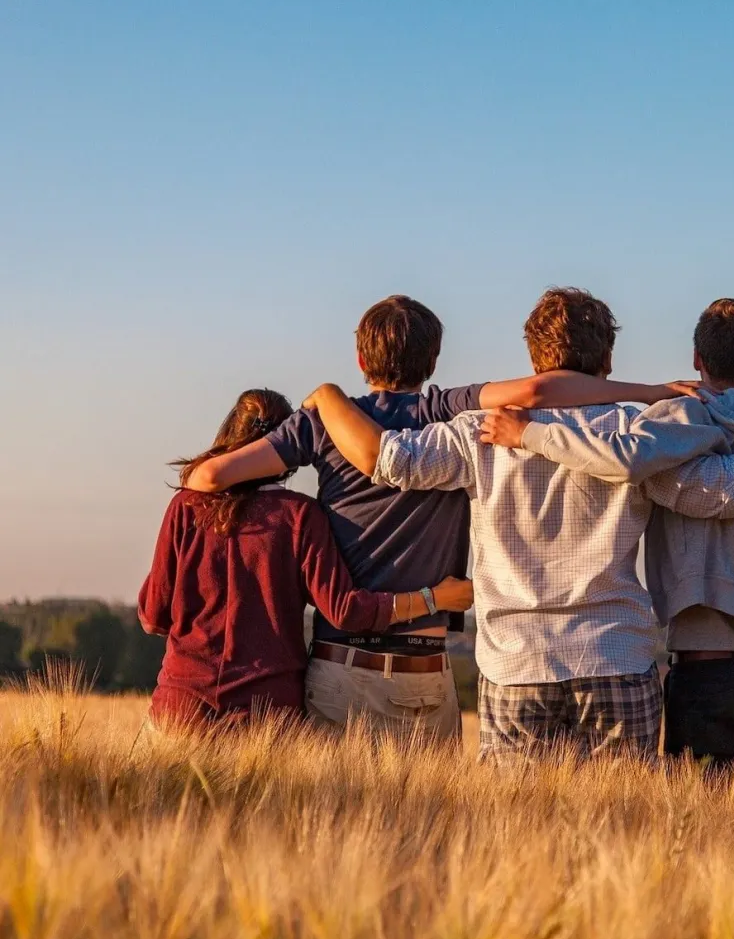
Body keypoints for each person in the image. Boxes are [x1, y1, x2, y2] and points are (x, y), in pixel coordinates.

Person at [302, 289, 734, 764]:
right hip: (616, 655)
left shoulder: (477, 432)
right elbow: (724, 493)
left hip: (515, 663)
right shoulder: (638, 433)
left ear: (533, 358)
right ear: (607, 361)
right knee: (623, 834)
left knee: (517, 836)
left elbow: (388, 460)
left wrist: (328, 397)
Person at [183, 294, 702, 737]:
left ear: (360, 359)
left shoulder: (322, 423)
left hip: (342, 662)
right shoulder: (445, 410)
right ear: (433, 359)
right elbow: (540, 391)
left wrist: (295, 477)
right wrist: (650, 392)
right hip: (427, 668)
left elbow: (208, 480)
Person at [481, 298, 734, 774]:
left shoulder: (665, 435)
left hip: (704, 673)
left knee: (698, 837)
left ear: (697, 360)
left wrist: (530, 434)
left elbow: (620, 459)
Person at [138, 388, 474, 731]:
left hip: (180, 707)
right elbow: (345, 610)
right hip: (267, 715)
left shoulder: (186, 507)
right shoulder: (300, 516)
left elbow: (153, 617)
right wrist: (434, 598)